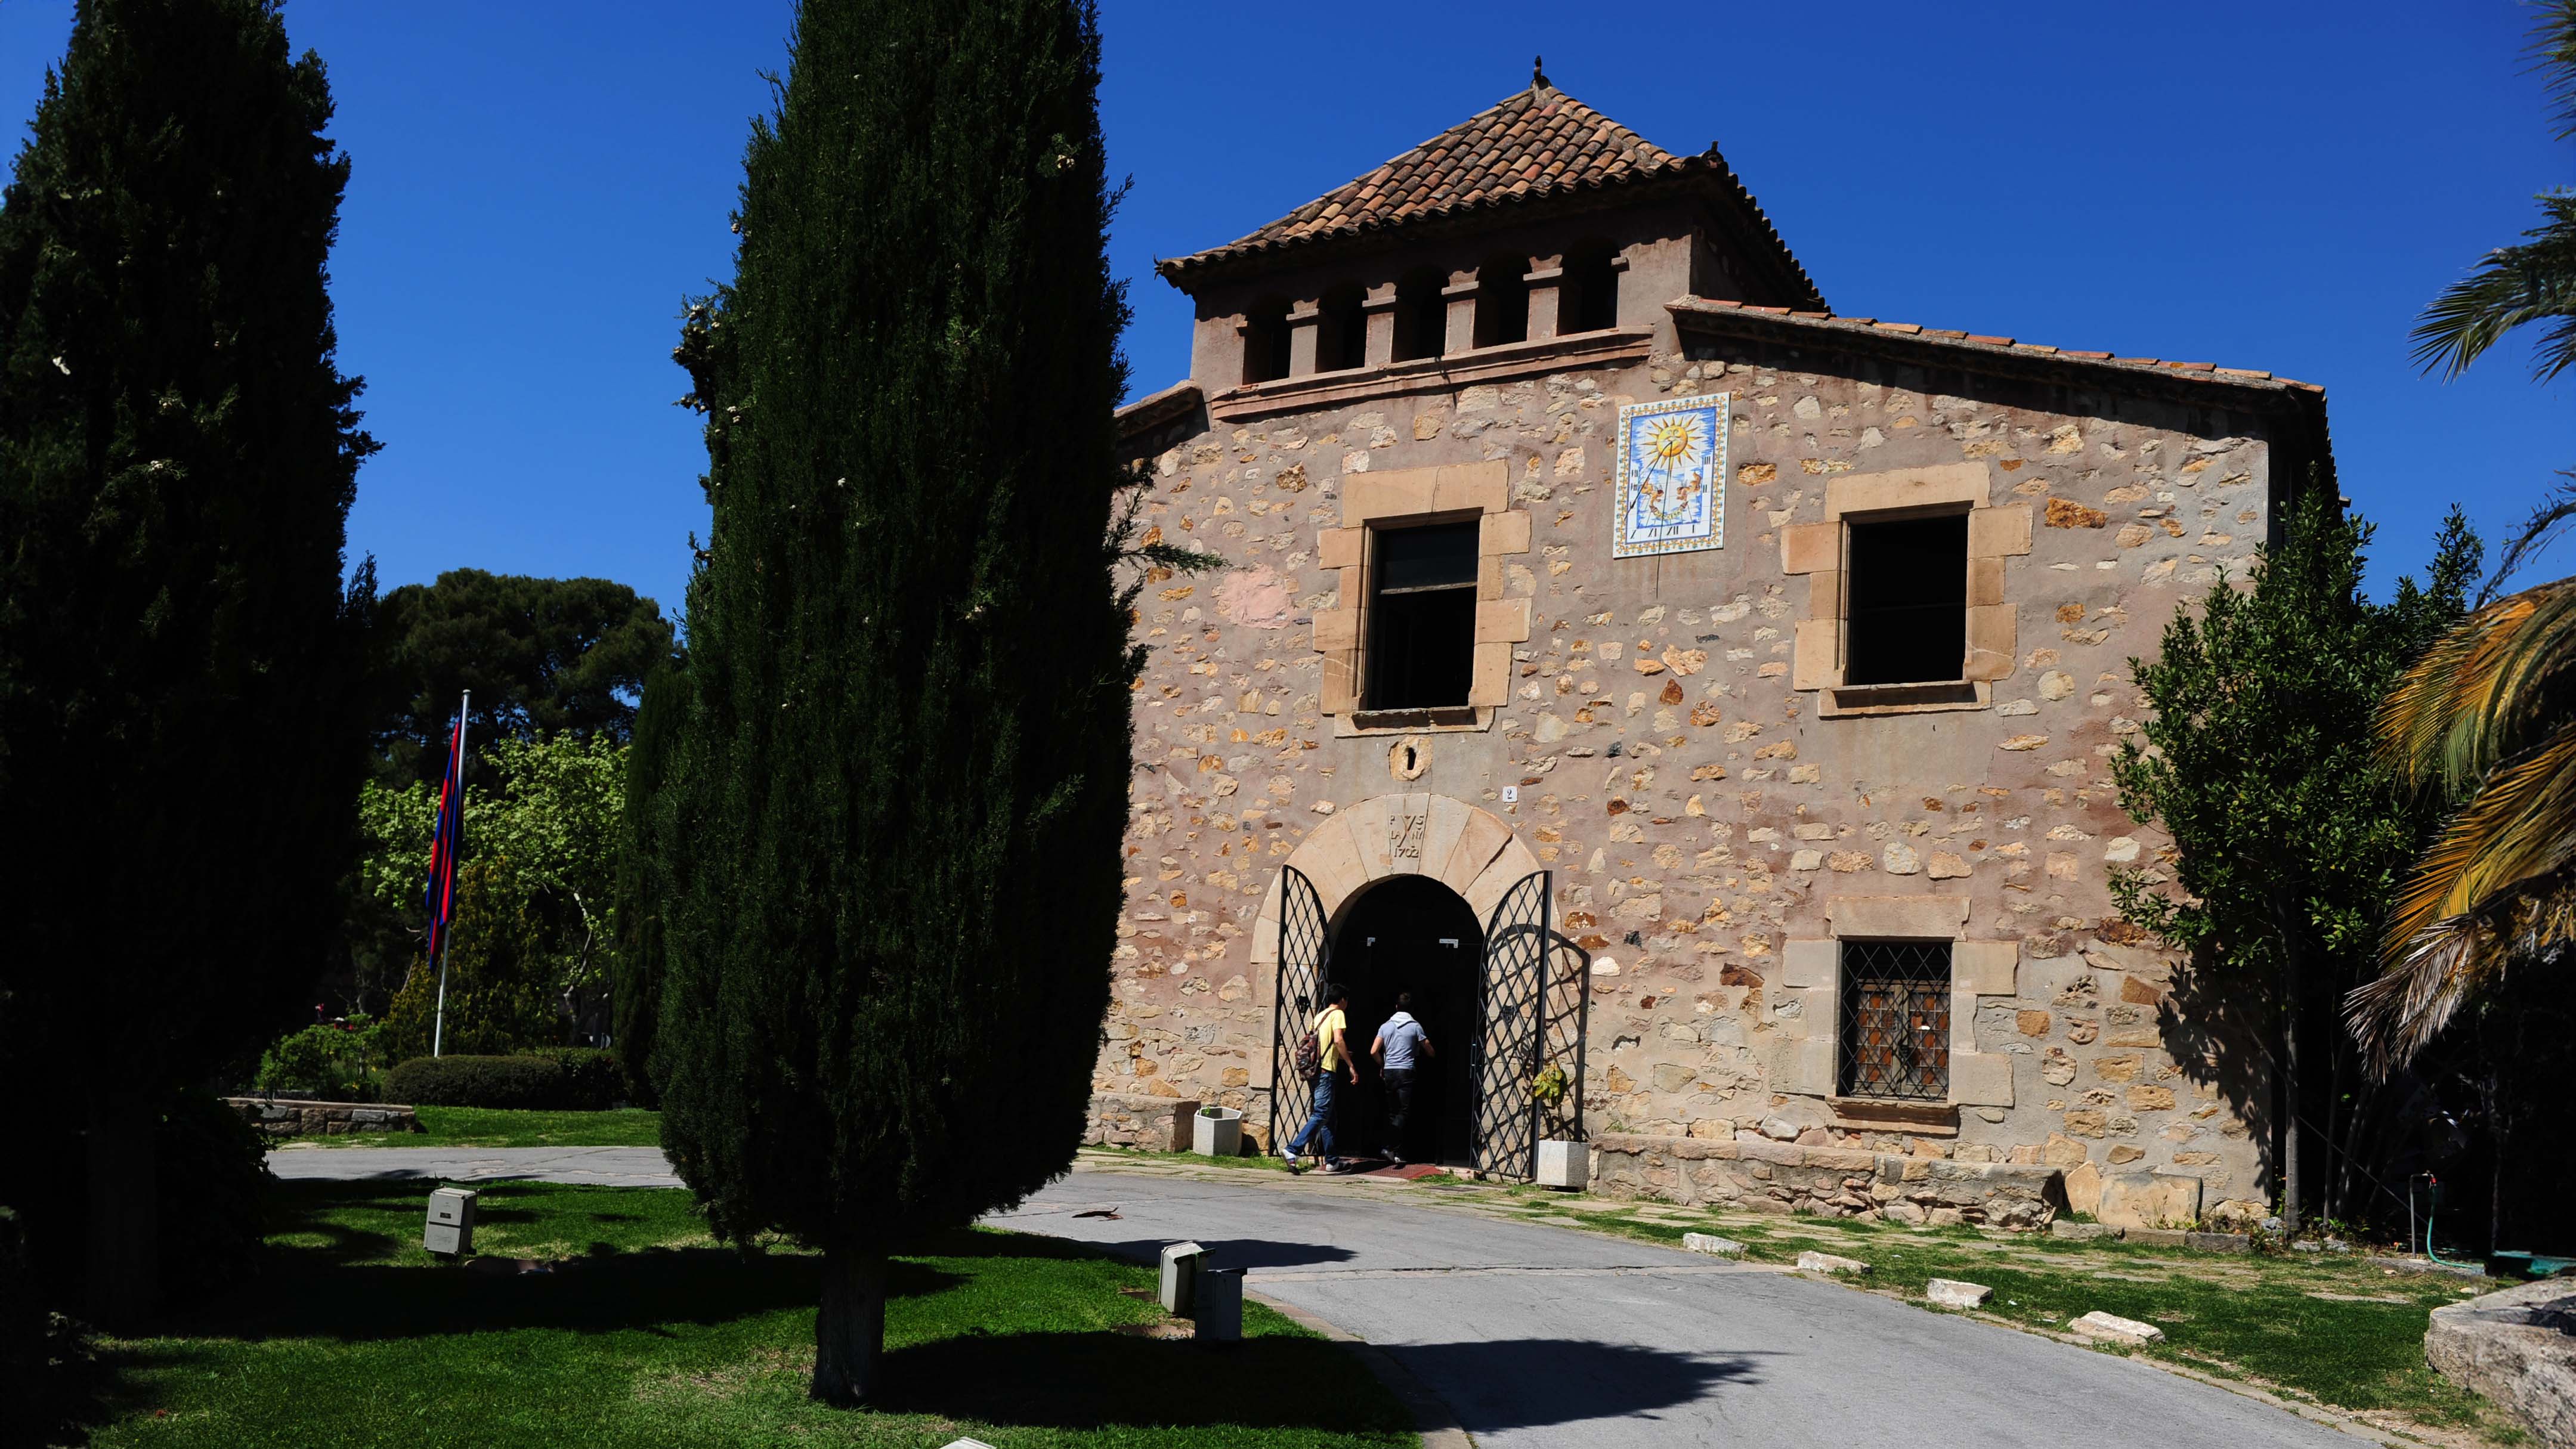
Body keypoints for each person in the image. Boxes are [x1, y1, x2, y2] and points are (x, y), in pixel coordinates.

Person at [1282, 984, 1357, 1174]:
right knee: (1321, 1114)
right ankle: (1293, 1150)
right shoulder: (1338, 1014)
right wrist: (1350, 1065)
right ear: (1342, 1000)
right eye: (1347, 1001)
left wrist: (1343, 1055)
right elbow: (1338, 1039)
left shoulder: (1318, 1017)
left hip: (1314, 1070)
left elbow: (1322, 1045)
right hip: (1325, 1071)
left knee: (1329, 1119)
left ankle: (1332, 1161)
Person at [1370, 992, 1434, 1165]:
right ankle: (1391, 1146)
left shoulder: (1386, 1026)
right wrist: (1434, 1055)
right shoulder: (1415, 1026)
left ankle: (1396, 1152)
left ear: (1396, 1007)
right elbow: (1427, 1047)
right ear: (1410, 1009)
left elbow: (1373, 1051)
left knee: (1394, 1113)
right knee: (1404, 1112)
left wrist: (1383, 1065)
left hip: (1390, 1072)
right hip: (1406, 1071)